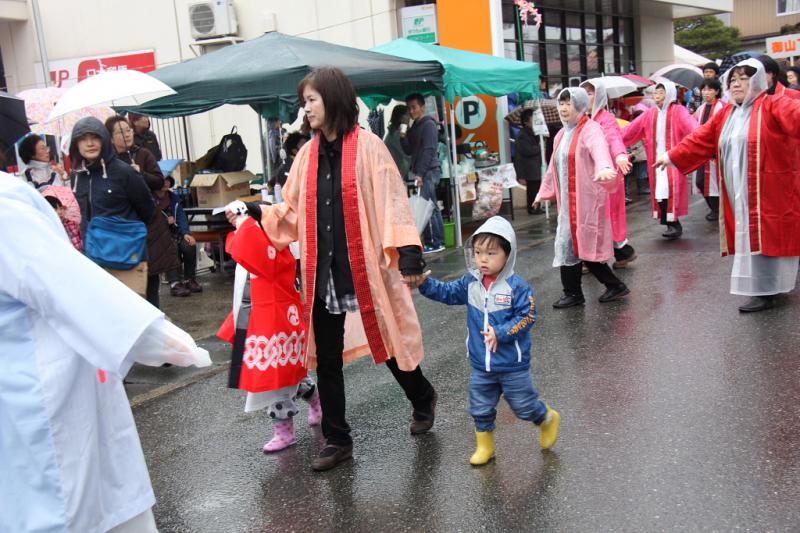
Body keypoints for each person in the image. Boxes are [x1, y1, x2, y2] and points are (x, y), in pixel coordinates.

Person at [229, 67, 437, 472]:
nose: (305, 108)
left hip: (365, 266)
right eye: (304, 101)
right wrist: (256, 210)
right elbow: (290, 212)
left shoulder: (370, 148)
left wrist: (409, 252)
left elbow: (393, 201)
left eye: (311, 100)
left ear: (333, 99)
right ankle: (338, 439)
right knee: (326, 357)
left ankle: (422, 395)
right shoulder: (306, 155)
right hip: (322, 270)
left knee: (388, 343)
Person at [0, 176, 212, 533]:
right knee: (74, 497)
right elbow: (61, 281)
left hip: (25, 376)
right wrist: (152, 336)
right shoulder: (7, 208)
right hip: (38, 380)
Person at [657, 58, 800, 313]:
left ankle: (765, 291)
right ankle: (766, 287)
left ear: (757, 81)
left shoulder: (773, 104)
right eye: (733, 80)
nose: (736, 85)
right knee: (751, 234)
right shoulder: (728, 112)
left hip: (770, 187)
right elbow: (701, 137)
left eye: (743, 79)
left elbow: (796, 116)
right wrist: (671, 156)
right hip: (739, 189)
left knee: (766, 234)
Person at [414, 216, 560, 465]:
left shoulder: (518, 287)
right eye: (478, 252)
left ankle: (546, 418)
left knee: (524, 407)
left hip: (512, 365)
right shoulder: (471, 282)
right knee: (480, 407)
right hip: (482, 365)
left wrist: (500, 333)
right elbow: (447, 293)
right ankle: (485, 447)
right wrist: (424, 284)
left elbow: (527, 316)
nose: (483, 259)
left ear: (508, 255)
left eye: (491, 253)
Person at [218, 202, 322, 453]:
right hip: (267, 318)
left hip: (274, 321)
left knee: (275, 380)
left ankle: (285, 431)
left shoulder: (269, 247)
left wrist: (244, 223)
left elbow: (249, 248)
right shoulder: (270, 242)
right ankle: (318, 404)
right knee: (287, 375)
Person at [533, 88, 628, 308]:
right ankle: (599, 288)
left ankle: (577, 292)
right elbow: (552, 169)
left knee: (579, 244)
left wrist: (605, 168)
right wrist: (542, 193)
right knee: (572, 245)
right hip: (568, 203)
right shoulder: (561, 135)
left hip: (587, 200)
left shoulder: (592, 130)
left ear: (581, 105)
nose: (564, 108)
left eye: (569, 103)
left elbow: (600, 151)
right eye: (561, 103)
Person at [69, 117, 155, 295]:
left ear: (104, 140)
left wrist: (125, 233)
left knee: (134, 315)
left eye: (95, 137)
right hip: (93, 257)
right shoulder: (77, 176)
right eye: (83, 139)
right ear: (76, 144)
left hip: (127, 255)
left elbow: (147, 209)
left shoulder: (124, 172)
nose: (90, 143)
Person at [106, 115, 181, 305]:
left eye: (128, 130)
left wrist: (141, 173)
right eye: (120, 132)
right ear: (110, 137)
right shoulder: (108, 163)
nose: (126, 135)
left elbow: (158, 181)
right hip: (125, 224)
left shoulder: (143, 154)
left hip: (150, 223)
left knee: (151, 273)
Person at [622, 80, 697, 239]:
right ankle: (670, 222)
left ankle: (673, 223)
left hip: (672, 159)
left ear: (669, 94)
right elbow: (631, 129)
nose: (657, 96)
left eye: (661, 93)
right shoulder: (651, 113)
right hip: (655, 160)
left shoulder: (678, 111)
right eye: (656, 93)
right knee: (659, 192)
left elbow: (693, 129)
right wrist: (614, 137)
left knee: (669, 189)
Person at [581, 78, 636, 268]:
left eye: (590, 93)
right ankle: (615, 255)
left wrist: (621, 156)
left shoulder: (606, 119)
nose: (586, 96)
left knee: (607, 216)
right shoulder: (582, 119)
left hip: (607, 178)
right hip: (588, 178)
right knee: (593, 217)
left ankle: (599, 259)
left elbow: (614, 139)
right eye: (584, 92)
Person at [401, 92, 445, 253]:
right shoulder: (415, 127)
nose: (411, 111)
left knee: (429, 206)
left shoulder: (428, 125)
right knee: (427, 206)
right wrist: (403, 134)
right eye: (409, 108)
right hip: (421, 171)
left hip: (429, 171)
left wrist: (420, 174)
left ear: (422, 107)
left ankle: (436, 242)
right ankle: (433, 241)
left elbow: (428, 150)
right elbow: (408, 150)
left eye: (414, 107)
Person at [158, 176, 202, 295]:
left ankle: (189, 279)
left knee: (189, 245)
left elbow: (181, 217)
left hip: (177, 233)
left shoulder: (174, 197)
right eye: (162, 179)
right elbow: (148, 221)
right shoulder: (150, 199)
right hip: (160, 235)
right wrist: (164, 222)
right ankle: (175, 283)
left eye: (167, 180)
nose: (165, 182)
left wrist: (186, 233)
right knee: (172, 247)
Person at [693, 78, 725, 222]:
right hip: (702, 151)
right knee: (701, 181)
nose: (706, 93)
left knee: (718, 181)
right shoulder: (701, 108)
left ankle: (718, 209)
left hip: (717, 152)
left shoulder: (721, 107)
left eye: (710, 89)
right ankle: (715, 208)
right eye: (704, 89)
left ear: (717, 91)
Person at [513, 108, 544, 215]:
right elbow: (527, 150)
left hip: (534, 166)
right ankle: (533, 208)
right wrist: (540, 147)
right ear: (526, 122)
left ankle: (537, 207)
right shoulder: (523, 135)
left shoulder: (533, 133)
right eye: (533, 119)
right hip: (529, 168)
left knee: (536, 188)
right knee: (532, 189)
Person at [273, 131, 309, 199]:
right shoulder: (286, 169)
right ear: (295, 151)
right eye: (303, 144)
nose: (308, 146)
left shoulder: (309, 162)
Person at [384, 104, 412, 181]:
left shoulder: (395, 131)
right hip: (395, 175)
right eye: (407, 114)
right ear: (400, 117)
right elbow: (406, 153)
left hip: (396, 173)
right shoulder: (396, 134)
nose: (409, 117)